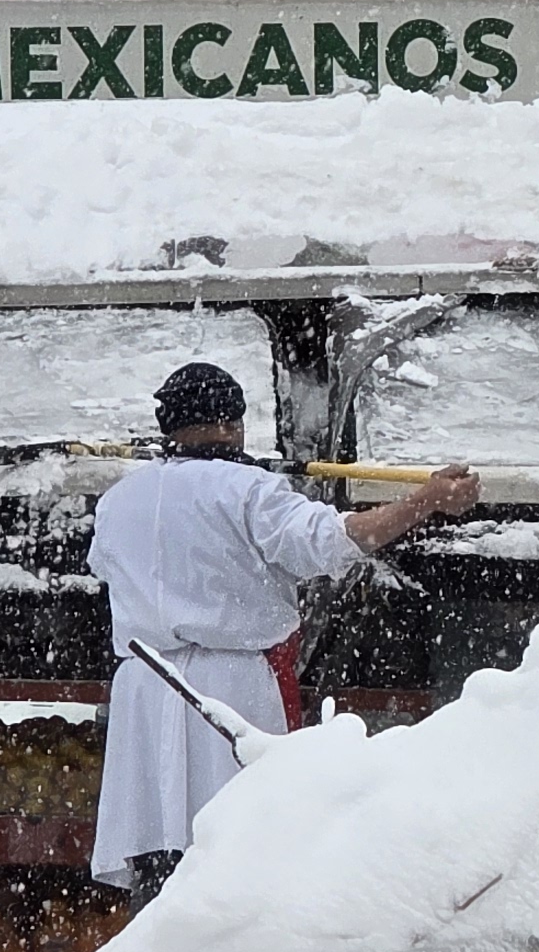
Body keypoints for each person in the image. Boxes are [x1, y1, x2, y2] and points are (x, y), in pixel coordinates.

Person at [87, 361, 479, 891]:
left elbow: (109, 568)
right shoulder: (251, 491)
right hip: (232, 690)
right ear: (233, 423)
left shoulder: (118, 501)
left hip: (145, 689)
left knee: (162, 858)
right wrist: (425, 501)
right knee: (242, 854)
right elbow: (345, 537)